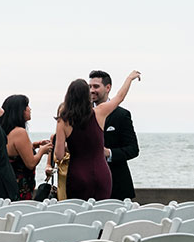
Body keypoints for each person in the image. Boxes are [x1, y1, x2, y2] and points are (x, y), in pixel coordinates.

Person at [53, 71, 141, 200]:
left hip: (78, 173)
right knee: (102, 212)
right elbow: (120, 97)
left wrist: (72, 147)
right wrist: (129, 79)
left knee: (80, 214)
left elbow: (59, 155)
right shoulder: (99, 112)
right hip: (101, 173)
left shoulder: (63, 121)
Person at [89, 70, 140, 199]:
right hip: (88, 184)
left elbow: (133, 149)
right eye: (89, 86)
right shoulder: (83, 113)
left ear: (108, 88)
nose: (91, 90)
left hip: (117, 184)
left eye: (96, 86)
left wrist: (109, 153)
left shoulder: (122, 115)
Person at [0, 94, 52, 200]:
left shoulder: (7, 131)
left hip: (8, 186)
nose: (30, 109)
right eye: (27, 106)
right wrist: (42, 151)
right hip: (21, 187)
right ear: (20, 110)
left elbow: (16, 153)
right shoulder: (20, 132)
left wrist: (34, 145)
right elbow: (30, 163)